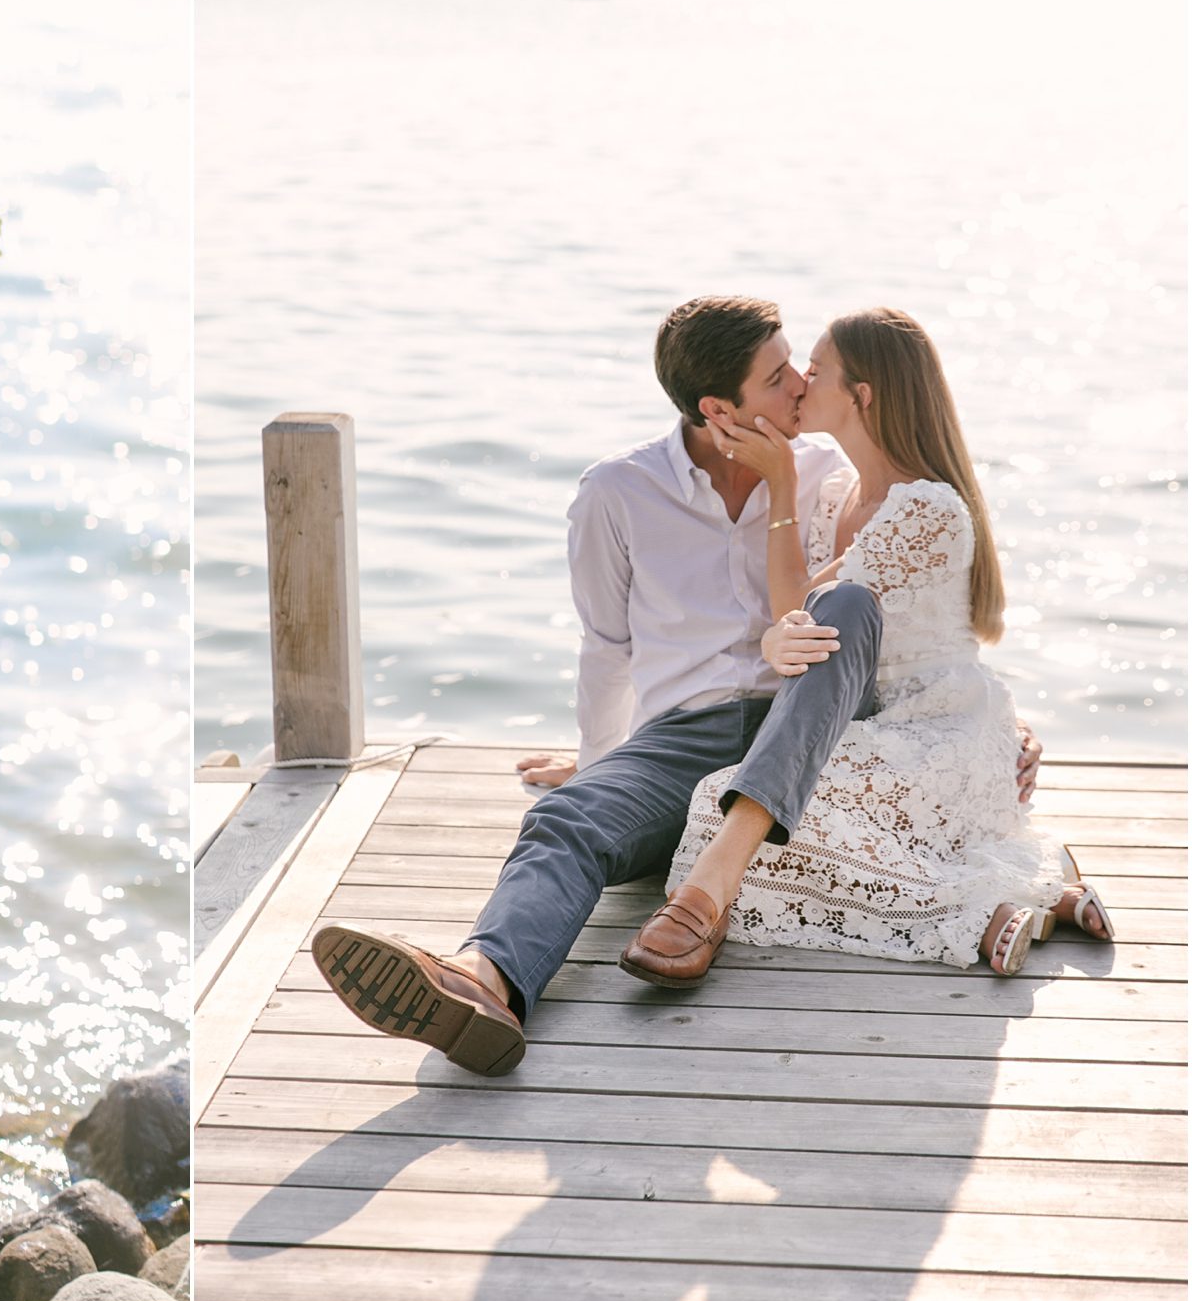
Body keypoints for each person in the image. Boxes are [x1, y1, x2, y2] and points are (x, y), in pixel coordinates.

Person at [309, 294, 1045, 1077]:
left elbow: (914, 618)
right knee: (566, 820)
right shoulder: (617, 492)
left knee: (844, 609)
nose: (799, 384)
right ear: (719, 408)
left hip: (818, 723)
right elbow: (607, 648)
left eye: (802, 367)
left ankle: (706, 896)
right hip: (681, 733)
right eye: (777, 377)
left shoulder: (828, 468)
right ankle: (482, 983)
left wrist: (997, 727)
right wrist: (600, 759)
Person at [622, 306, 1113, 985]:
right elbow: (799, 619)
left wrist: (780, 481)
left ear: (863, 396)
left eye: (815, 372)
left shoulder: (927, 509)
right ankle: (1022, 895)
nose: (798, 382)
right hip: (869, 727)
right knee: (717, 801)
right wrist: (788, 494)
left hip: (940, 732)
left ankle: (978, 910)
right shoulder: (837, 497)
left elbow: (808, 618)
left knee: (739, 815)